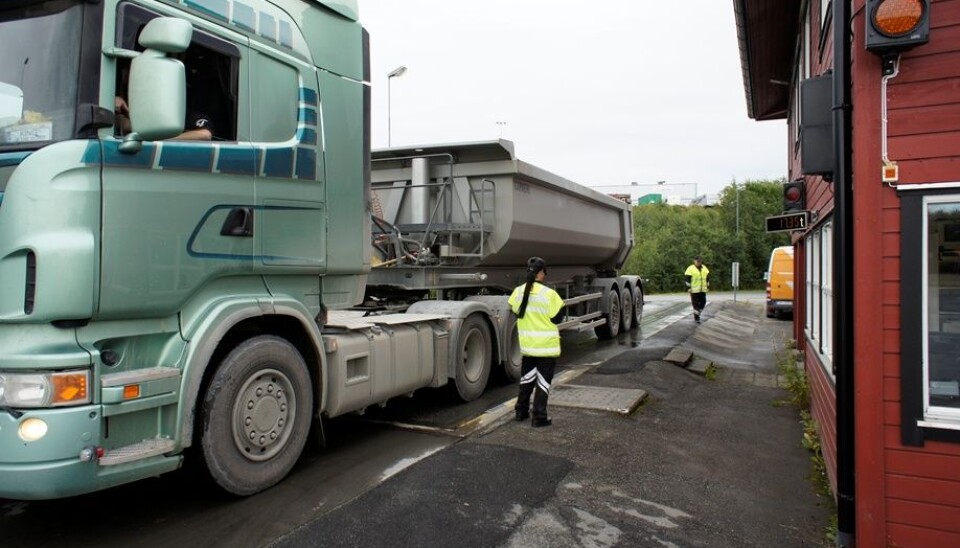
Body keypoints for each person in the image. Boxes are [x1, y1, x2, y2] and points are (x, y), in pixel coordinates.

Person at [508, 256, 565, 427]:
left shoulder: (517, 292)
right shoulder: (549, 294)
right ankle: (539, 417)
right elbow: (557, 319)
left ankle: (521, 411)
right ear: (541, 273)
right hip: (546, 348)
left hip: (528, 347)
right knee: (543, 383)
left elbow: (514, 310)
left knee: (526, 380)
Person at [684, 255, 710, 324]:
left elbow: (707, 278)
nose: (698, 262)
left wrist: (707, 287)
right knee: (695, 305)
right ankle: (697, 318)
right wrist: (688, 288)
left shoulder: (704, 268)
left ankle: (698, 313)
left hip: (702, 290)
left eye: (700, 261)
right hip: (694, 291)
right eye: (697, 261)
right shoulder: (690, 269)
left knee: (703, 302)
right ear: (694, 261)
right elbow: (687, 280)